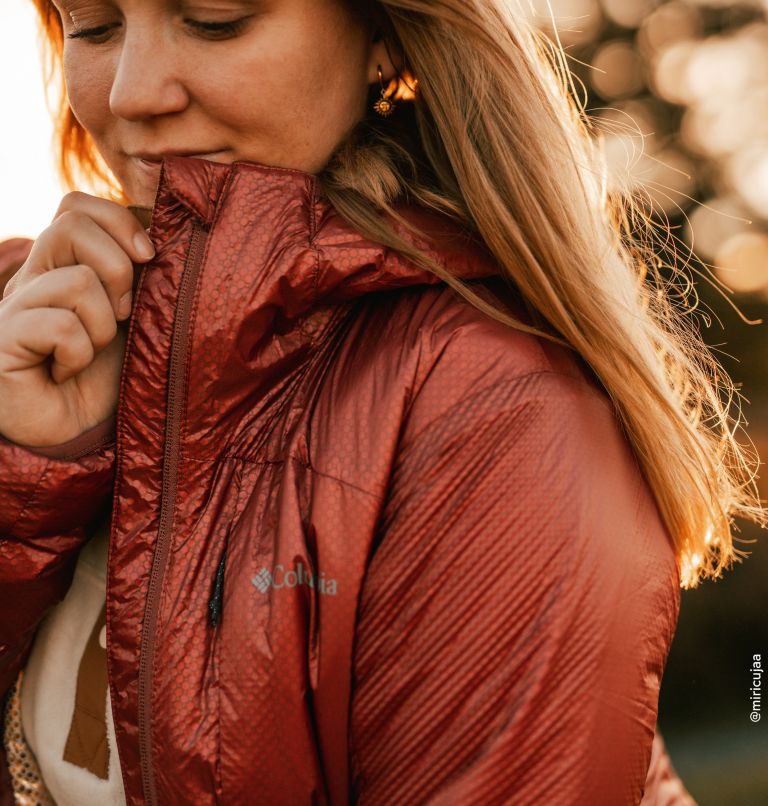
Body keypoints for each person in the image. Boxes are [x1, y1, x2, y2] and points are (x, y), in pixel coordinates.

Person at [0, 0, 759, 803]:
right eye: (92, 23)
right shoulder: (36, 329)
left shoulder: (492, 412)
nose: (130, 90)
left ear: (382, 31)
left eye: (215, 18)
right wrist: (27, 478)